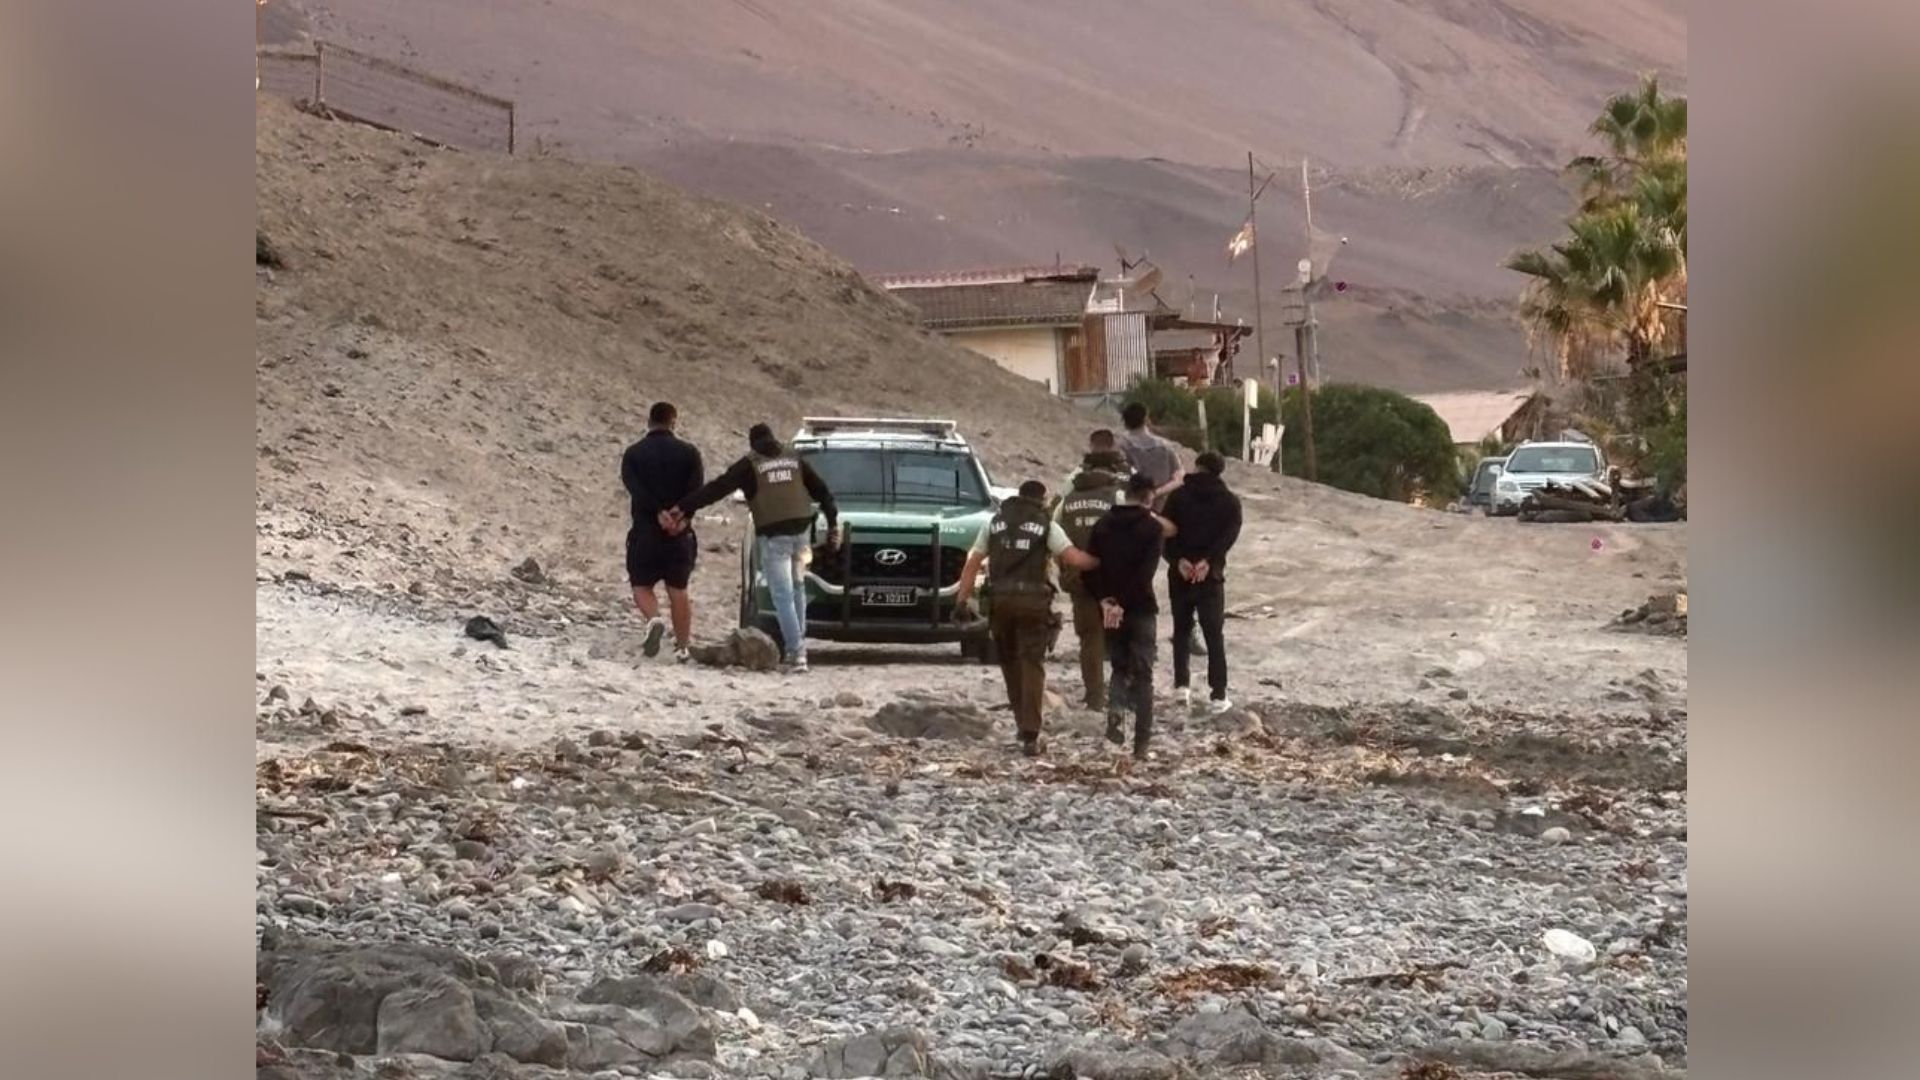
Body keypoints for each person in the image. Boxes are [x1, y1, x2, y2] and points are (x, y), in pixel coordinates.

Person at [666, 422, 838, 673]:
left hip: (775, 537)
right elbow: (822, 490)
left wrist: (684, 507)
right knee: (798, 588)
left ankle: (797, 653)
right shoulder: (793, 457)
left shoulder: (750, 464)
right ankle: (798, 647)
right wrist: (832, 522)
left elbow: (718, 488)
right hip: (802, 533)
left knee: (782, 595)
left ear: (752, 444)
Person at [952, 479, 1098, 757]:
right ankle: (1031, 732)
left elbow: (973, 562)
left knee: (1009, 663)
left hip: (1000, 603)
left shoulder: (993, 523)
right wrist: (1101, 560)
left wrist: (961, 600)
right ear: (1042, 499)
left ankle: (1021, 724)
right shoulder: (1046, 524)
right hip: (1033, 603)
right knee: (1032, 663)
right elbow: (1074, 559)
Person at [1085, 472, 1176, 760]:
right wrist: (1123, 603)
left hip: (1110, 609)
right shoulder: (1151, 528)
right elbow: (1144, 573)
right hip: (1140, 608)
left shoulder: (1102, 525)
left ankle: (1115, 713)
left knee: (1119, 667)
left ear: (1125, 493)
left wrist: (1105, 600)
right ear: (1149, 496)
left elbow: (1090, 569)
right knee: (1144, 674)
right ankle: (1141, 745)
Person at [620, 402, 704, 663]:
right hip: (679, 534)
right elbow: (697, 489)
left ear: (649, 422)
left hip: (645, 532)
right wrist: (682, 514)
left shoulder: (634, 454)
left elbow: (634, 488)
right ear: (673, 422)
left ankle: (655, 619)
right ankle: (682, 647)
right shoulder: (690, 453)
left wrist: (657, 511)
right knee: (678, 590)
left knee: (641, 586)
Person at [1160, 451, 1243, 713]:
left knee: (1181, 630)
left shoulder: (1178, 496)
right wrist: (1208, 561)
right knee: (1214, 634)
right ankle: (1218, 694)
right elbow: (1228, 537)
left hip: (1180, 574)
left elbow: (1165, 532)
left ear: (1197, 467)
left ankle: (1181, 687)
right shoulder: (1229, 501)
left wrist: (1179, 561)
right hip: (1210, 576)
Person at [1054, 459, 1125, 710]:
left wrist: (1067, 571)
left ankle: (1094, 697)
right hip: (1114, 579)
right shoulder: (1118, 497)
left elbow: (1056, 541)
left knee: (1090, 640)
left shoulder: (1067, 501)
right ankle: (1123, 695)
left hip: (1081, 579)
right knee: (1122, 636)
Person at [1116, 402, 1184, 507]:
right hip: (1162, 507)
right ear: (1146, 419)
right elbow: (1179, 478)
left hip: (1132, 507)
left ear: (1125, 423)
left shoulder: (1120, 448)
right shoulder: (1165, 446)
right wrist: (1155, 493)